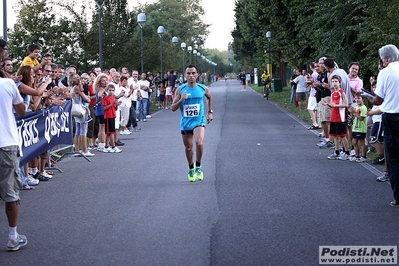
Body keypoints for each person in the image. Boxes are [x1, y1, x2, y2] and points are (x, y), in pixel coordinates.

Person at [171, 64, 213, 182]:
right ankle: (191, 168)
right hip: (185, 122)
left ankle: (198, 166)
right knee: (188, 147)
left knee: (199, 143)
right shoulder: (180, 89)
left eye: (193, 73)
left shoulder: (203, 88)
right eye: (188, 73)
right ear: (185, 76)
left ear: (197, 75)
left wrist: (210, 112)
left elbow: (210, 98)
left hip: (198, 121)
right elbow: (173, 108)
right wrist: (181, 99)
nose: (191, 76)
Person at [0, 77, 28, 251]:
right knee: (10, 192)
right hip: (6, 143)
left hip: (7, 143)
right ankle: (12, 236)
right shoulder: (8, 84)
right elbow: (22, 110)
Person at [372, 44, 399, 207]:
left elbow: (379, 99)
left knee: (394, 157)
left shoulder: (385, 72)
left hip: (392, 117)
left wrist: (371, 99)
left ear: (386, 59)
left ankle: (398, 196)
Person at [321, 75, 350, 160]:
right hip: (333, 117)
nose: (334, 83)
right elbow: (332, 105)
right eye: (333, 82)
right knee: (335, 135)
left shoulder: (342, 92)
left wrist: (336, 105)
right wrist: (327, 104)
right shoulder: (333, 93)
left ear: (340, 83)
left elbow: (346, 104)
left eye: (336, 81)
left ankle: (346, 151)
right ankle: (337, 151)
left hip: (340, 117)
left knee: (342, 135)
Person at [103, 84, 122, 153]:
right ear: (107, 91)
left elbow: (115, 108)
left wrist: (116, 104)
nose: (111, 92)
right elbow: (104, 108)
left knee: (109, 132)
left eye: (112, 90)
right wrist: (112, 104)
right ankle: (113, 146)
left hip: (112, 115)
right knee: (110, 132)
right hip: (108, 116)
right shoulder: (106, 98)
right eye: (110, 90)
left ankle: (106, 146)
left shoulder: (113, 98)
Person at [348, 92, 367, 162]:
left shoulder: (363, 108)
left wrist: (354, 112)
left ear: (363, 99)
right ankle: (357, 155)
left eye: (359, 98)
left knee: (362, 142)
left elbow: (361, 118)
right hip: (355, 128)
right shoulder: (357, 107)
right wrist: (351, 112)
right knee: (354, 142)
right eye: (355, 98)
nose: (357, 100)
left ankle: (364, 156)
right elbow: (353, 117)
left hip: (361, 128)